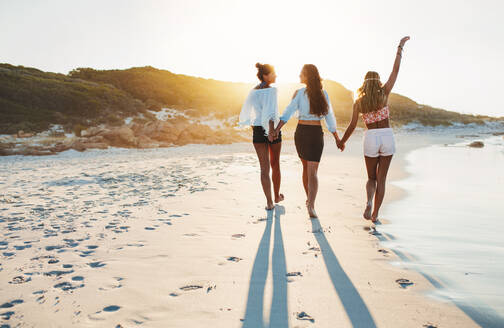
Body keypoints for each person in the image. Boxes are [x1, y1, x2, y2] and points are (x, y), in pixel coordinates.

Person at [339, 36, 410, 223]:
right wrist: (400, 47)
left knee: (371, 178)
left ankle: (369, 201)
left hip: (370, 137)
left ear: (365, 83)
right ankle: (376, 214)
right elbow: (395, 70)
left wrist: (342, 141)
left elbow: (353, 125)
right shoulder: (384, 94)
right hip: (386, 136)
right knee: (382, 179)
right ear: (377, 82)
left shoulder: (359, 102)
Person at [275, 64, 341, 218]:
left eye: (301, 74)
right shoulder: (323, 94)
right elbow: (329, 117)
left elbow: (287, 112)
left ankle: (309, 201)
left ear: (307, 76)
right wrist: (337, 138)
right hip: (315, 133)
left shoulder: (299, 93)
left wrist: (278, 128)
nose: (299, 76)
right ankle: (311, 204)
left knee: (306, 168)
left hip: (302, 132)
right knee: (312, 171)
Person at [239, 63, 284, 210]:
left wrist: (255, 126)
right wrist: (271, 131)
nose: (276, 75)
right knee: (275, 164)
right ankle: (277, 196)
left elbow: (247, 112)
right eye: (273, 73)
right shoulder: (272, 91)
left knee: (264, 168)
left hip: (258, 129)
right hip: (272, 130)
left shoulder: (252, 92)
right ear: (265, 75)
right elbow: (270, 113)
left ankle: (269, 202)